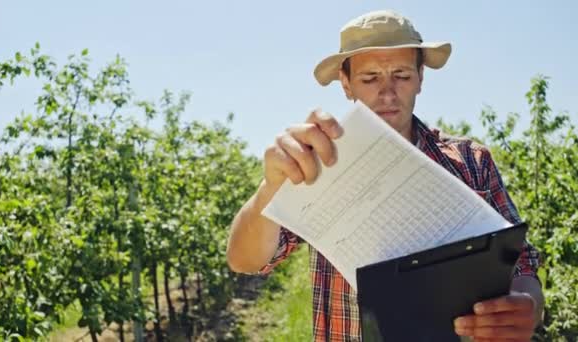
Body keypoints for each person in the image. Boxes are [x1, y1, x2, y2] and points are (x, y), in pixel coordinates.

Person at [226, 10, 543, 342]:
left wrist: (528, 306)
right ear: (346, 83)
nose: (388, 93)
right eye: (370, 78)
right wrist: (270, 189)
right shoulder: (316, 165)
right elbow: (246, 260)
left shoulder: (470, 161)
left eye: (402, 75)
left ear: (421, 76)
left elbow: (520, 263)